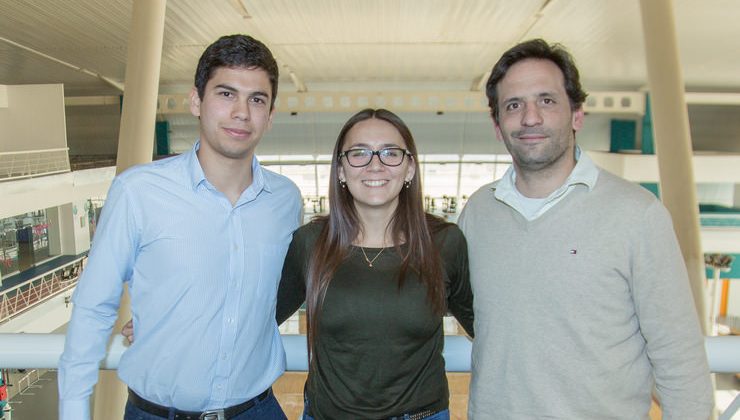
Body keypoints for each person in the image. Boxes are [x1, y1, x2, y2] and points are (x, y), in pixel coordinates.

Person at [458, 39, 714, 419]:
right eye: (514, 105)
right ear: (498, 125)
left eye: (546, 100)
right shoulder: (478, 213)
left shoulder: (637, 215)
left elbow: (680, 360)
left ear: (577, 114)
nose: (530, 118)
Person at [58, 34, 302, 420]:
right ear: (196, 102)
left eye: (257, 99)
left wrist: (179, 319)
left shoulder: (285, 200)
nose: (242, 112)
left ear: (270, 116)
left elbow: (274, 291)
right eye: (226, 94)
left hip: (257, 411)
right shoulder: (138, 191)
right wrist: (73, 412)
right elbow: (92, 308)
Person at [276, 108, 474, 419]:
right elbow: (259, 320)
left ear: (409, 168)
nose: (375, 165)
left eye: (390, 153)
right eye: (359, 153)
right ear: (340, 170)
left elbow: (486, 326)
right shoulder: (309, 243)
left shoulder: (445, 243)